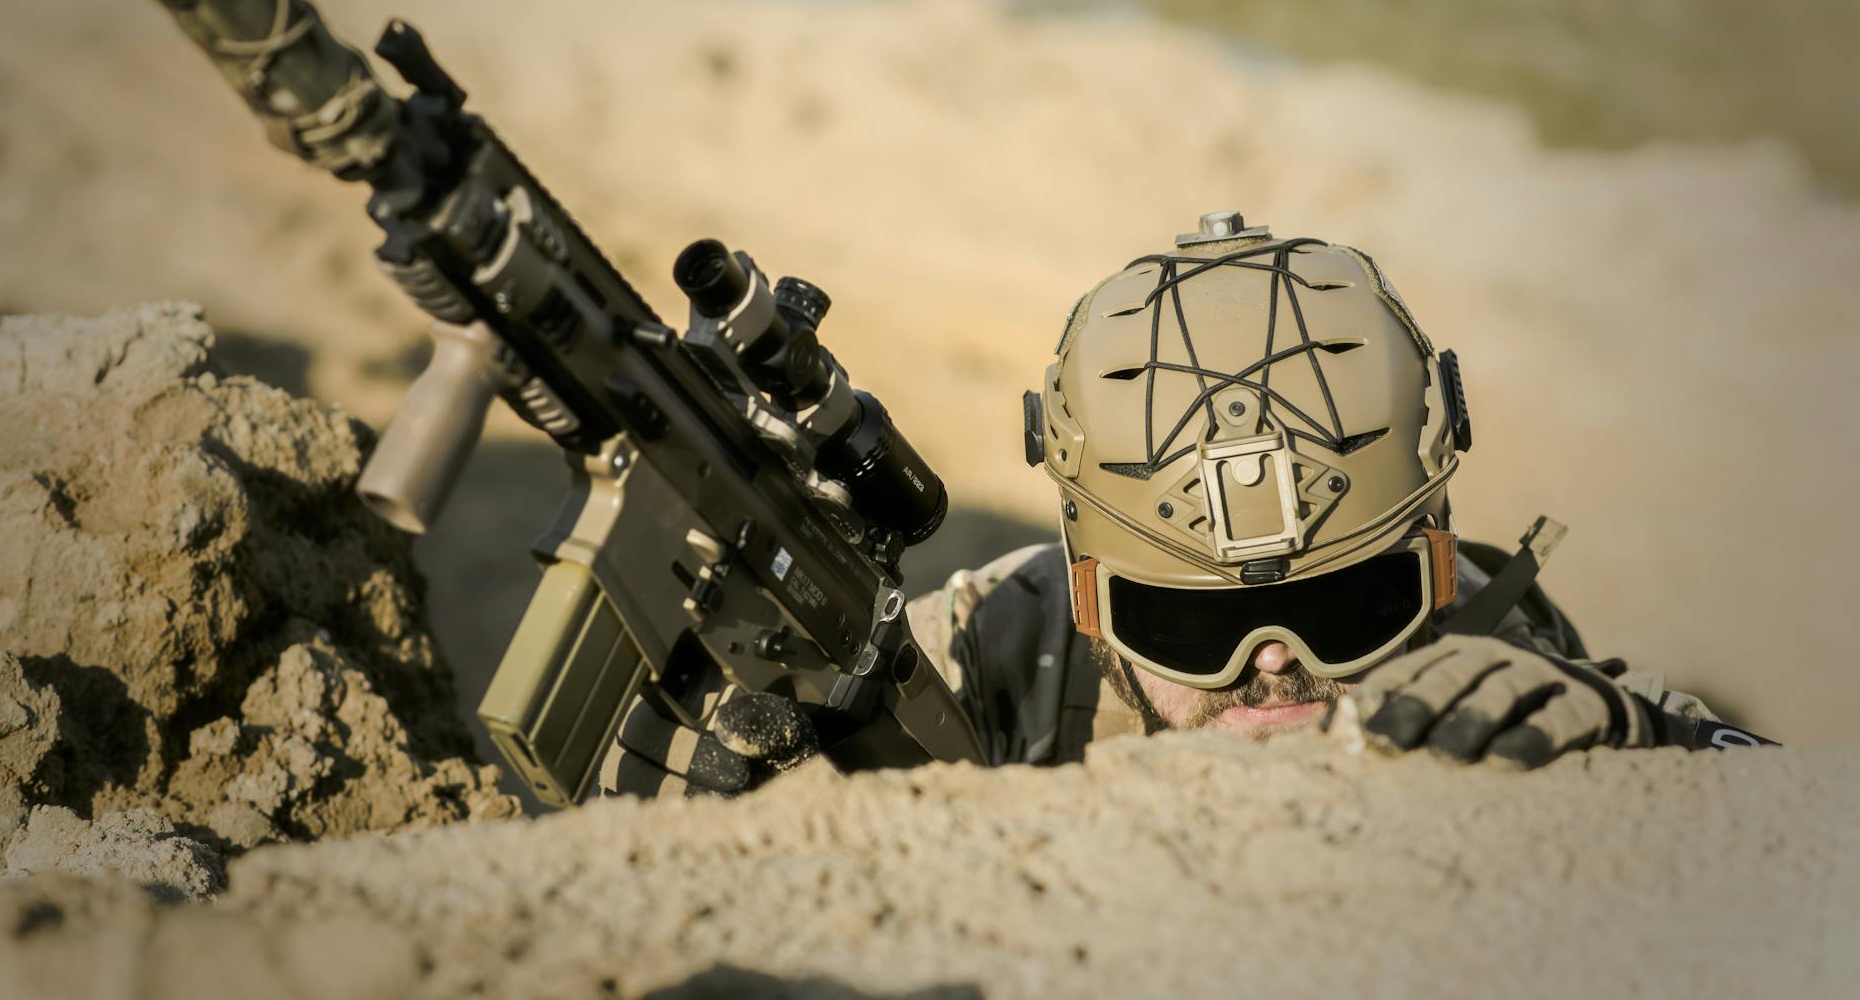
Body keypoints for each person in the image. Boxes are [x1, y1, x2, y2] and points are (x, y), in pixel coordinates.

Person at [600, 213, 1771, 798]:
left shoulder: (1482, 641)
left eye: (1349, 606)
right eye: (1193, 627)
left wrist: (1628, 738)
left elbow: (1778, 798)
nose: (1272, 669)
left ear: (1426, 562)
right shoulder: (994, 647)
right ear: (1094, 598)